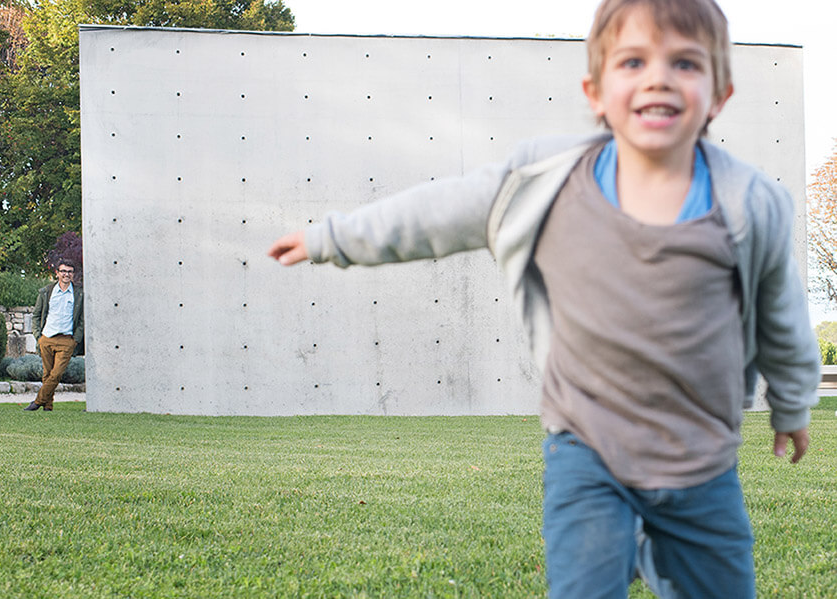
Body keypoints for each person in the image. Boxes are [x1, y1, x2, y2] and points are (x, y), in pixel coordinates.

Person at [267, 0, 821, 596]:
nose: (658, 77)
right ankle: (620, 545)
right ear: (595, 92)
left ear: (719, 95)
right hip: (587, 451)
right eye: (633, 61)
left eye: (685, 63)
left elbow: (781, 319)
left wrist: (791, 405)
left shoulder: (751, 204)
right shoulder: (545, 182)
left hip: (701, 464)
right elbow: (437, 213)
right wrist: (333, 238)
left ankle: (658, 554)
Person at [25, 259, 84, 412]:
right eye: (63, 271)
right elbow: (36, 315)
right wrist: (38, 336)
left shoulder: (79, 293)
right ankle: (48, 406)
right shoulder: (46, 292)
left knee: (56, 374)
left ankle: (37, 402)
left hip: (67, 340)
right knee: (47, 374)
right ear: (57, 273)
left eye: (70, 271)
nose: (66, 274)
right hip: (47, 338)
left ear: (73, 274)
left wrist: (76, 339)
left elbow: (83, 319)